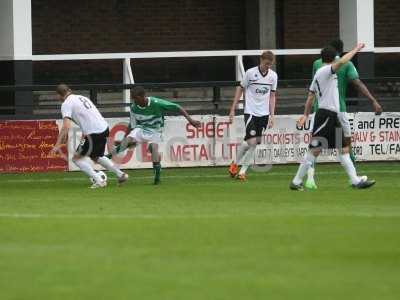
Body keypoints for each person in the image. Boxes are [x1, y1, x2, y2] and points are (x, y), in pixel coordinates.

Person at [290, 43, 376, 191]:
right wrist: (356, 49)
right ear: (333, 58)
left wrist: (305, 115)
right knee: (314, 150)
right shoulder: (325, 71)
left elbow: (311, 96)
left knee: (343, 149)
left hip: (331, 116)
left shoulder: (320, 73)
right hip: (325, 116)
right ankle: (296, 181)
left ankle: (355, 180)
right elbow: (343, 62)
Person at [107, 86, 201, 185]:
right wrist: (124, 139)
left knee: (153, 148)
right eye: (132, 98)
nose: (133, 100)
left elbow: (177, 107)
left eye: (134, 97)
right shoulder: (134, 107)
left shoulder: (156, 103)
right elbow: (132, 125)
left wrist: (191, 120)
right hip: (142, 127)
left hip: (156, 130)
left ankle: (157, 176)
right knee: (126, 142)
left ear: (142, 96)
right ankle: (106, 158)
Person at [51, 84, 128, 188]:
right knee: (96, 156)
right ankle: (121, 175)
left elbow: (66, 126)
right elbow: (89, 116)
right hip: (104, 128)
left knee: (76, 159)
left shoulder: (66, 104)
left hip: (93, 132)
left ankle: (99, 180)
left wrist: (57, 144)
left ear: (59, 95)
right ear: (69, 90)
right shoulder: (82, 97)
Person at [228, 51, 278, 181]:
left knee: (253, 144)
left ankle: (241, 171)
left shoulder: (273, 76)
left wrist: (272, 115)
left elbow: (272, 96)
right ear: (261, 60)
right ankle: (236, 164)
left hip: (264, 114)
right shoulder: (250, 73)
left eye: (270, 65)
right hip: (250, 112)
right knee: (252, 141)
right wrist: (233, 108)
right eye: (266, 64)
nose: (268, 67)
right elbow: (240, 89)